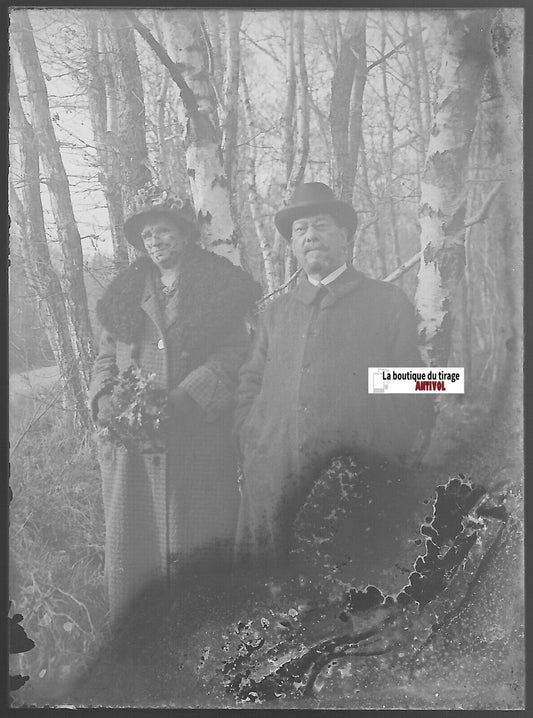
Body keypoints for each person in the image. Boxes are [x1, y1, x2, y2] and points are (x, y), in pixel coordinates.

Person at [90, 189, 260, 621]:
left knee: (198, 549)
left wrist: (188, 396)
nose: (154, 240)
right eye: (147, 234)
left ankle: (205, 643)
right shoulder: (124, 293)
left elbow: (236, 353)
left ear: (184, 234)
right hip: (134, 449)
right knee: (136, 548)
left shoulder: (219, 285)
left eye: (163, 230)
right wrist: (106, 399)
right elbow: (105, 357)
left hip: (196, 437)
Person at [234, 182, 422, 563]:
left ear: (344, 236)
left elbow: (419, 382)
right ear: (291, 246)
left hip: (358, 486)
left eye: (320, 225)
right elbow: (250, 383)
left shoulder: (386, 301)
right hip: (275, 482)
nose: (310, 237)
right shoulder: (276, 314)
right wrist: (251, 437)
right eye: (300, 231)